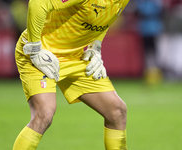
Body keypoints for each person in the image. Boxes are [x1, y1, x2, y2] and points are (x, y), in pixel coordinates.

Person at [13, 0, 129, 149]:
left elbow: (108, 16)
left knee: (117, 111)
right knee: (44, 114)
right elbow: (38, 3)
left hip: (75, 56)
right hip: (42, 52)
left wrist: (96, 45)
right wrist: (34, 47)